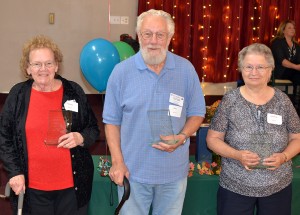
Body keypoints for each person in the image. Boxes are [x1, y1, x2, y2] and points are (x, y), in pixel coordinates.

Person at [103, 9, 205, 215]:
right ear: (139, 36)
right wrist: (117, 162)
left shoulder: (186, 70)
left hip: (173, 174)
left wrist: (183, 135)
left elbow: (197, 112)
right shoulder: (121, 73)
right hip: (133, 172)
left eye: (160, 34)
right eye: (147, 34)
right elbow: (111, 122)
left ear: (170, 37)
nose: (153, 40)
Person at [0, 35, 100, 215]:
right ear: (28, 68)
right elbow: (4, 136)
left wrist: (81, 137)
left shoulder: (73, 91)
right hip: (33, 188)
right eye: (36, 64)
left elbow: (93, 128)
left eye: (48, 63)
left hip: (72, 188)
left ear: (56, 66)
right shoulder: (18, 95)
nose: (43, 69)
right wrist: (14, 172)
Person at [206, 43, 300, 215]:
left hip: (277, 187)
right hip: (235, 187)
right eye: (248, 67)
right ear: (241, 69)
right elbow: (212, 139)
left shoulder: (283, 101)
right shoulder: (230, 100)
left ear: (270, 69)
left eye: (260, 67)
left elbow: (297, 138)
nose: (254, 72)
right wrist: (237, 155)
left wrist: (284, 156)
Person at [270, 20, 300, 107]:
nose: (293, 29)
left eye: (293, 28)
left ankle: (295, 103)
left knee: (297, 75)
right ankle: (295, 104)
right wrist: (297, 67)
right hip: (281, 71)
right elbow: (282, 61)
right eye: (289, 28)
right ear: (283, 30)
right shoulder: (277, 42)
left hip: (294, 71)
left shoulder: (296, 45)